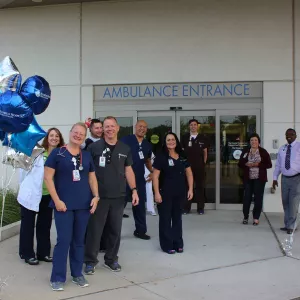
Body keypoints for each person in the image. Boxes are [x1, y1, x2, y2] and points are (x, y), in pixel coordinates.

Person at [44, 122, 99, 291]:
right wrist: (57, 200)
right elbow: (48, 178)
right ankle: (58, 277)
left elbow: (92, 178)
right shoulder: (58, 154)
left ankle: (77, 274)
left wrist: (96, 196)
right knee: (63, 241)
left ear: (84, 136)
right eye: (76, 132)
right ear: (70, 133)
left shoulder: (87, 155)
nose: (78, 135)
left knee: (79, 242)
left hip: (83, 205)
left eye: (82, 134)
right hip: (63, 206)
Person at [84, 116, 139, 274]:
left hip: (118, 196)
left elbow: (129, 170)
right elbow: (88, 171)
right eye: (106, 126)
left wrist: (134, 190)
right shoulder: (94, 147)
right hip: (98, 197)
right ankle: (90, 261)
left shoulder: (125, 149)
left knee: (115, 230)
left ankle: (111, 259)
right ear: (102, 129)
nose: (109, 129)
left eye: (112, 126)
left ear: (118, 128)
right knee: (95, 230)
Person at [18, 128, 65, 266]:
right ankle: (27, 254)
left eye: (57, 136)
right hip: (32, 194)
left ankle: (43, 253)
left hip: (49, 195)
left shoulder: (60, 154)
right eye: (51, 135)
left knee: (44, 225)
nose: (54, 138)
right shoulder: (37, 152)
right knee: (28, 225)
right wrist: (24, 188)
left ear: (60, 138)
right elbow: (23, 171)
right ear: (47, 138)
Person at [153, 132, 193, 254]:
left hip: (180, 192)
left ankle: (178, 243)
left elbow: (189, 173)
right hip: (165, 193)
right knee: (165, 219)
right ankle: (167, 245)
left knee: (177, 219)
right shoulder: (161, 156)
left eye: (173, 139)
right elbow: (155, 176)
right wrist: (156, 193)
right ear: (165, 142)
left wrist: (190, 189)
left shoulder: (182, 155)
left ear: (176, 141)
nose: (171, 142)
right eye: (168, 140)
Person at [121, 120, 153, 240]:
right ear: (135, 127)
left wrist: (152, 172)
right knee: (119, 207)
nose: (142, 129)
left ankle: (140, 231)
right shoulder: (126, 140)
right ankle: (111, 234)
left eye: (144, 127)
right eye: (140, 126)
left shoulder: (147, 144)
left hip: (139, 180)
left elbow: (147, 160)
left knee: (139, 206)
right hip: (124, 179)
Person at [238, 133, 272, 225]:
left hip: (259, 179)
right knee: (247, 198)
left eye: (255, 140)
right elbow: (240, 163)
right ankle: (245, 217)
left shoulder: (263, 152)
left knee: (258, 199)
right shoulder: (246, 151)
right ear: (249, 142)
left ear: (258, 142)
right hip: (248, 179)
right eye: (252, 140)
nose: (253, 142)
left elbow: (269, 165)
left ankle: (256, 218)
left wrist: (258, 164)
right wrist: (246, 164)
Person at [272, 128, 300, 234]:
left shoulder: (299, 146)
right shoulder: (282, 148)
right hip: (284, 178)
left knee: (293, 203)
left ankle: (292, 226)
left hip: (296, 178)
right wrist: (275, 178)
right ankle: (287, 224)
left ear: (295, 136)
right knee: (285, 202)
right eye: (287, 134)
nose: (289, 136)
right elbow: (278, 165)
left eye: (291, 134)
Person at [181, 119, 208, 215]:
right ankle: (186, 208)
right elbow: (182, 152)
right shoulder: (185, 137)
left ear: (197, 126)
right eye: (191, 125)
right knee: (187, 187)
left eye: (195, 125)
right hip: (187, 167)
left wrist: (203, 163)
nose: (193, 126)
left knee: (200, 187)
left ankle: (200, 208)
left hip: (199, 167)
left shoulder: (202, 137)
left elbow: (205, 152)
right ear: (189, 126)